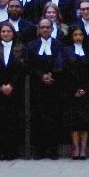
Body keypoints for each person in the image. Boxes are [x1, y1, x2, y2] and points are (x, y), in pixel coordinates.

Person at [26, 19, 64, 160]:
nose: (45, 30)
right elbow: (29, 64)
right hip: (37, 86)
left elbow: (60, 62)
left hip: (54, 86)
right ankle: (40, 150)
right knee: (38, 119)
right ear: (39, 29)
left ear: (52, 28)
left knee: (54, 119)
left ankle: (53, 150)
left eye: (48, 27)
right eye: (42, 27)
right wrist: (41, 75)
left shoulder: (58, 44)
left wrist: (51, 75)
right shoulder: (31, 45)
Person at [0, 22, 25, 160]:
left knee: (13, 121)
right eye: (3, 31)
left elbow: (22, 69)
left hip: (14, 90)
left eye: (9, 31)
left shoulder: (20, 48)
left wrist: (11, 85)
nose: (6, 34)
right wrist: (0, 86)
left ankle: (13, 151)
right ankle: (1, 151)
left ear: (13, 33)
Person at [60, 26, 89, 160]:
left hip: (86, 91)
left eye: (80, 35)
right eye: (75, 35)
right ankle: (75, 148)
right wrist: (73, 90)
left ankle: (83, 148)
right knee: (74, 121)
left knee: (85, 121)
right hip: (71, 91)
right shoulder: (66, 51)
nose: (78, 37)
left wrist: (84, 89)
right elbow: (63, 72)